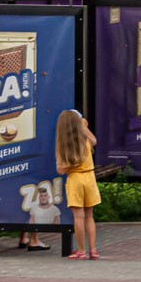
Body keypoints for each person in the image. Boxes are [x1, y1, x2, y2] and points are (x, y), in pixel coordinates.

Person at [55, 109, 101, 260]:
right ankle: (93, 251)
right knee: (89, 217)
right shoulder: (85, 140)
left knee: (79, 218)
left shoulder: (62, 145)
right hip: (89, 177)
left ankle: (81, 251)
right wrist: (84, 126)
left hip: (75, 179)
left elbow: (60, 170)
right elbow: (95, 141)